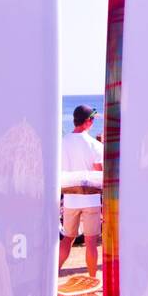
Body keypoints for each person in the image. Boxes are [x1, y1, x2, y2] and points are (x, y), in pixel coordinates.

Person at [60, 104, 103, 277]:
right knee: (91, 242)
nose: (93, 122)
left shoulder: (62, 142)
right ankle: (92, 279)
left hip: (70, 198)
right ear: (87, 122)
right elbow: (99, 173)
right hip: (91, 198)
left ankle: (54, 277)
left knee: (67, 240)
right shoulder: (93, 145)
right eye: (92, 119)